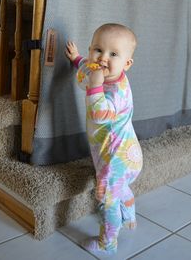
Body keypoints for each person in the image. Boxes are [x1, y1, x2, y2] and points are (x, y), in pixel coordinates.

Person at [65, 23, 143, 256]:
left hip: (116, 159)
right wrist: (77, 58)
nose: (103, 58)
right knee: (121, 188)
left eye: (114, 54)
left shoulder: (115, 91)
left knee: (107, 199)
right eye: (98, 50)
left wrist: (96, 86)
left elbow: (100, 115)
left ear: (127, 64)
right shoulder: (106, 71)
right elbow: (89, 68)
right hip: (129, 155)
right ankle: (129, 217)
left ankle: (107, 243)